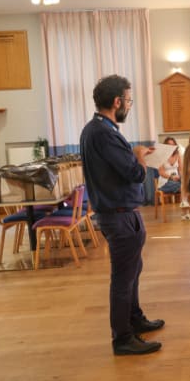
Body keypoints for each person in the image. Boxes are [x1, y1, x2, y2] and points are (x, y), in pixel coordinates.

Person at [80, 74, 163, 356]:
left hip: (122, 212)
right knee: (123, 277)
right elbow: (134, 173)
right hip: (117, 214)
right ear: (117, 102)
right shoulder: (102, 132)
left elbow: (119, 164)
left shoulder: (101, 130)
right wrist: (139, 157)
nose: (129, 105)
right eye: (128, 100)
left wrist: (135, 152)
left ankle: (134, 318)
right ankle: (123, 337)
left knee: (133, 270)